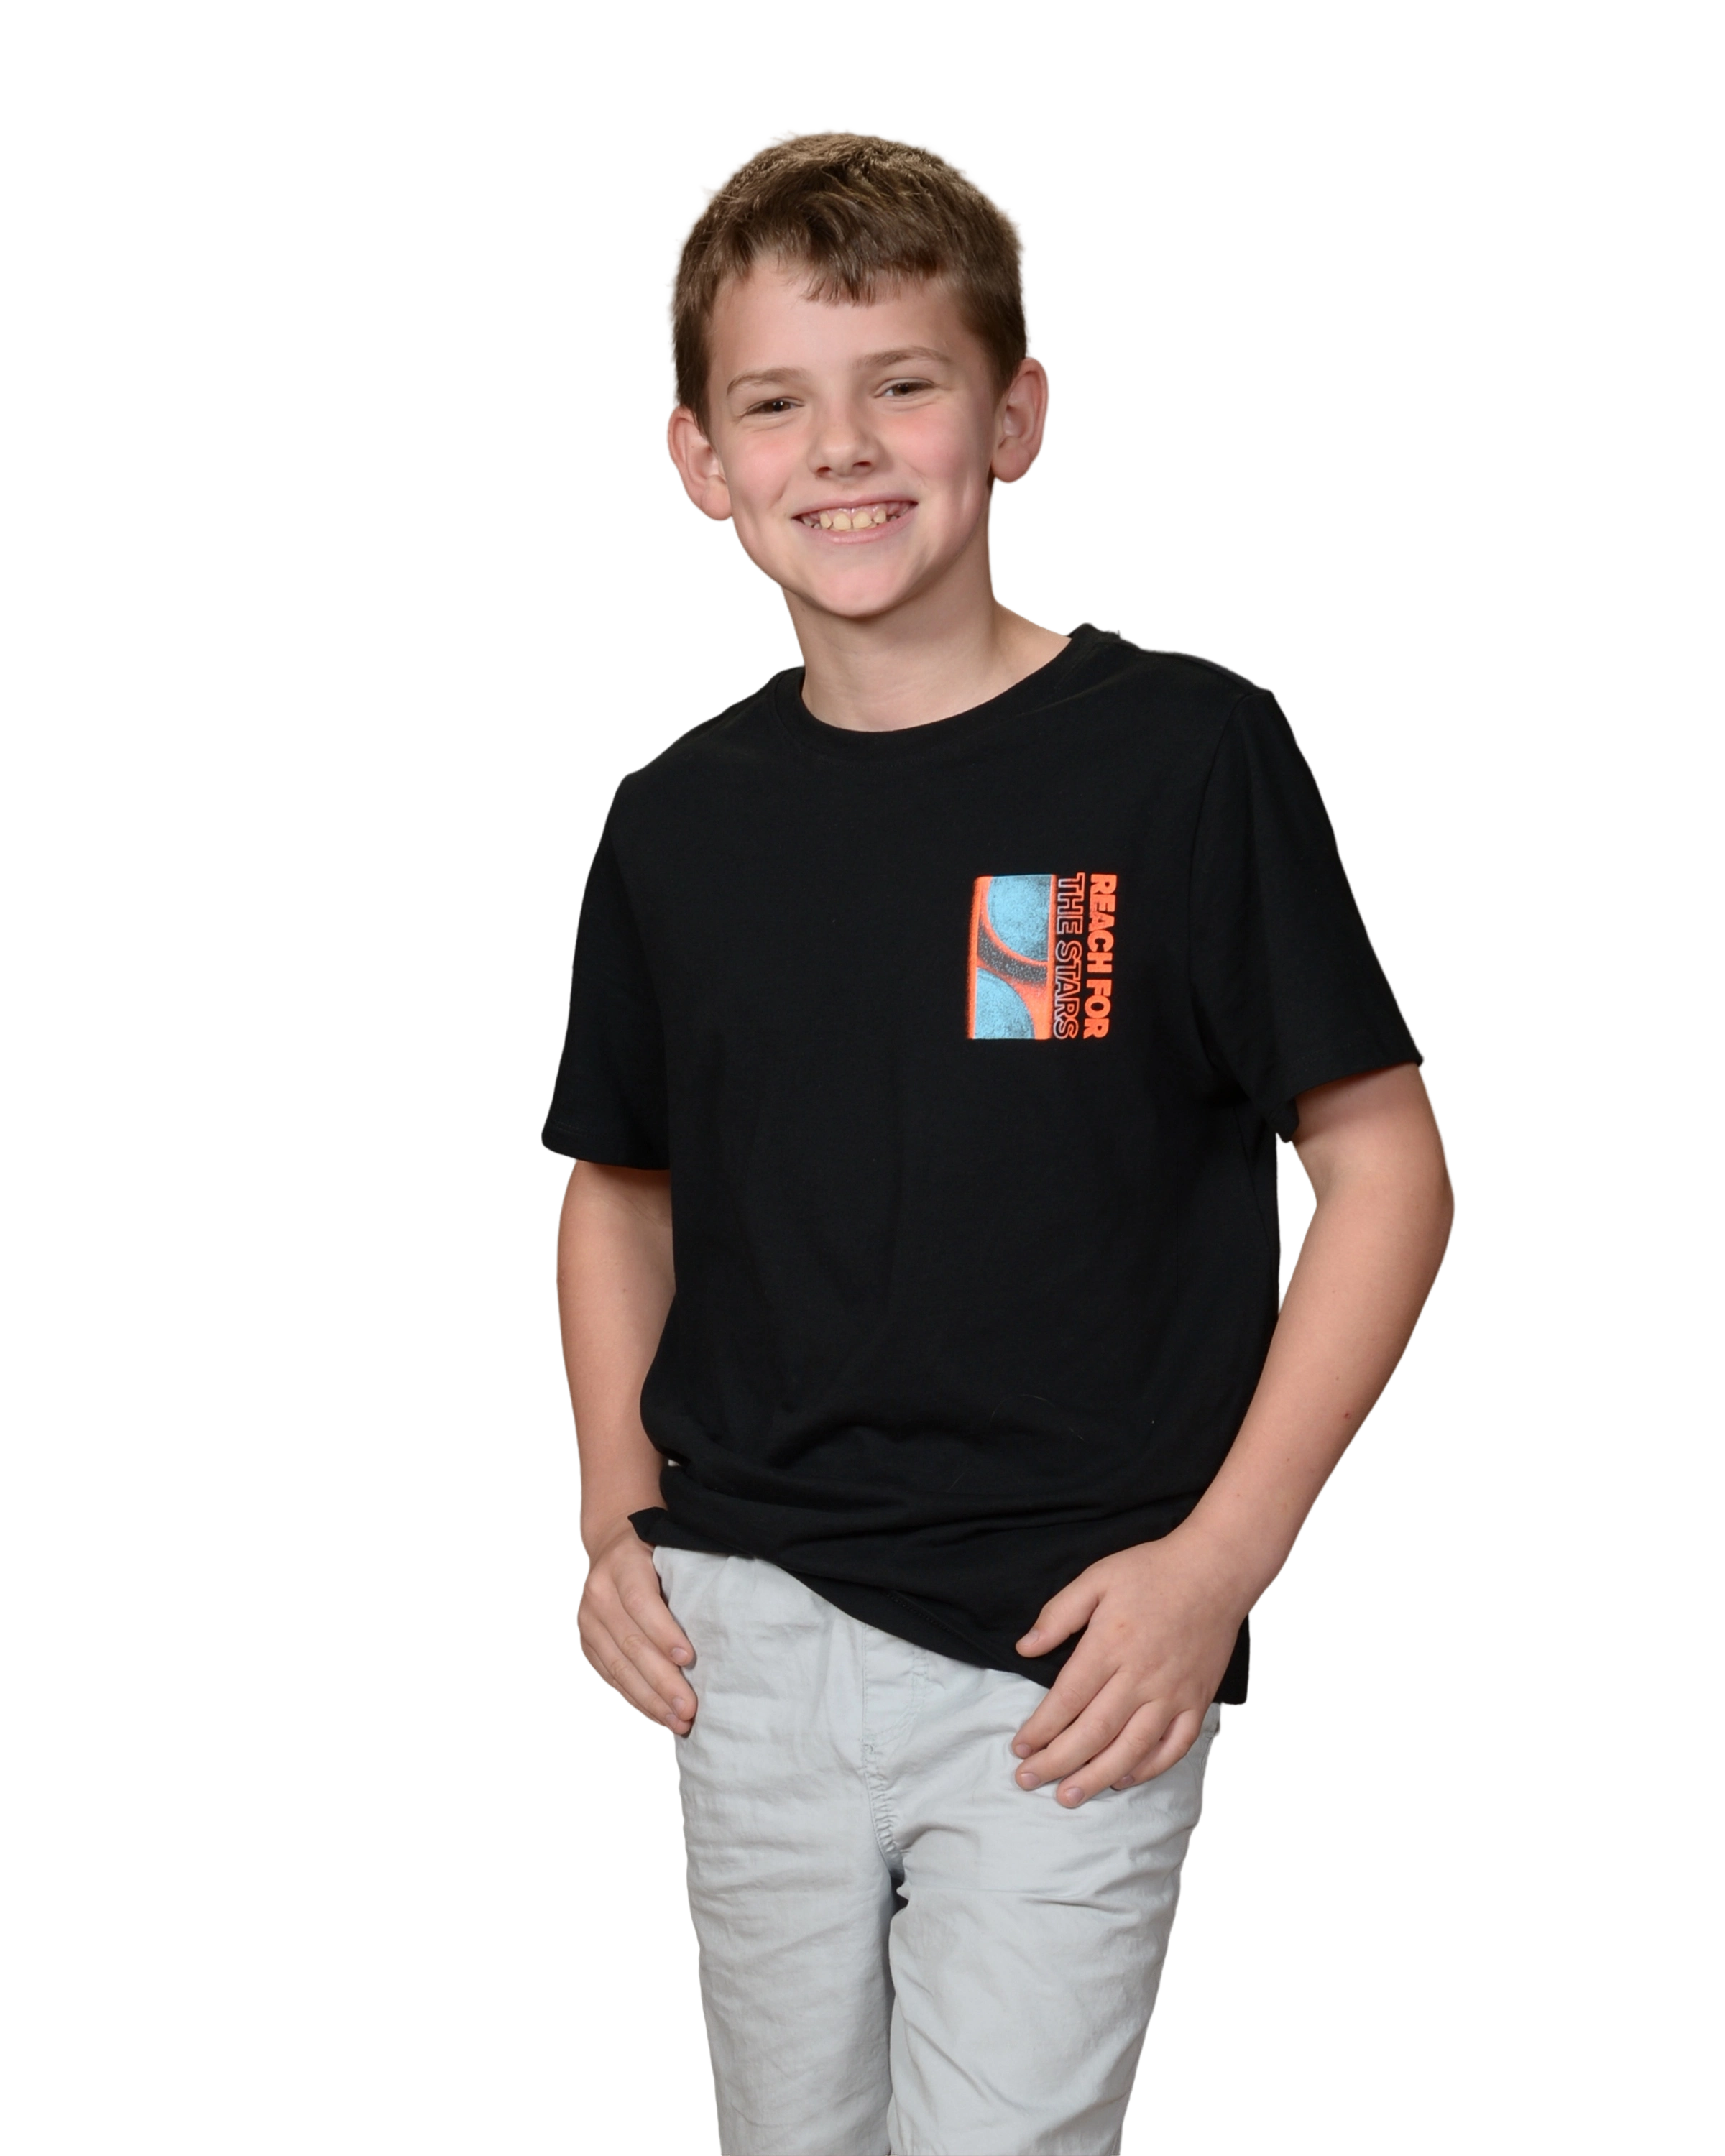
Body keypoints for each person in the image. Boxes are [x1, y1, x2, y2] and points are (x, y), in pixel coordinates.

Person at [537, 126, 1456, 2156]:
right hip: (746, 1637)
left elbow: (1388, 1167)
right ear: (698, 459)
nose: (843, 450)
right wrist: (616, 1513)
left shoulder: (1187, 753)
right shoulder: (674, 820)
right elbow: (621, 1182)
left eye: (905, 382)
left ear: (1017, 416)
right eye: (775, 403)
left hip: (1077, 1647)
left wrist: (1222, 1565)